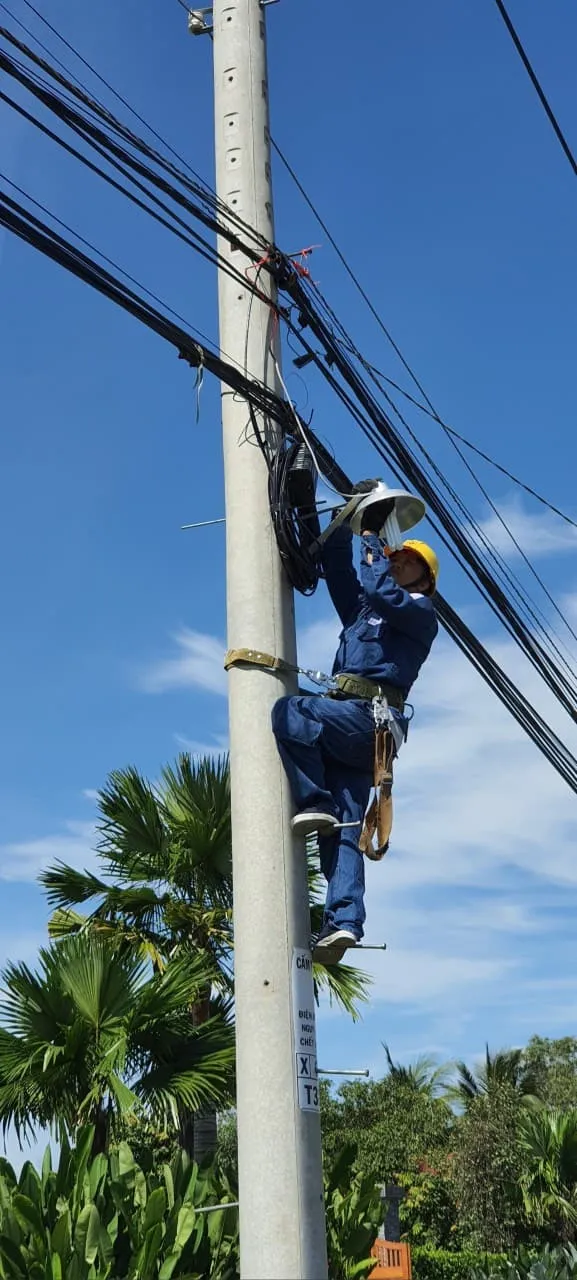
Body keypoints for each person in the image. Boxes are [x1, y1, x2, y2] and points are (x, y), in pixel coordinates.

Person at [271, 483, 439, 959]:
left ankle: (314, 797)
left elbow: (374, 584)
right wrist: (348, 523)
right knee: (342, 827)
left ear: (425, 578)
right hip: (354, 726)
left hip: (370, 725)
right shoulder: (366, 610)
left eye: (407, 559)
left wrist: (371, 533)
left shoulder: (420, 612)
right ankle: (344, 921)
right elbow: (343, 574)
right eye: (395, 553)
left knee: (291, 711)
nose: (395, 557)